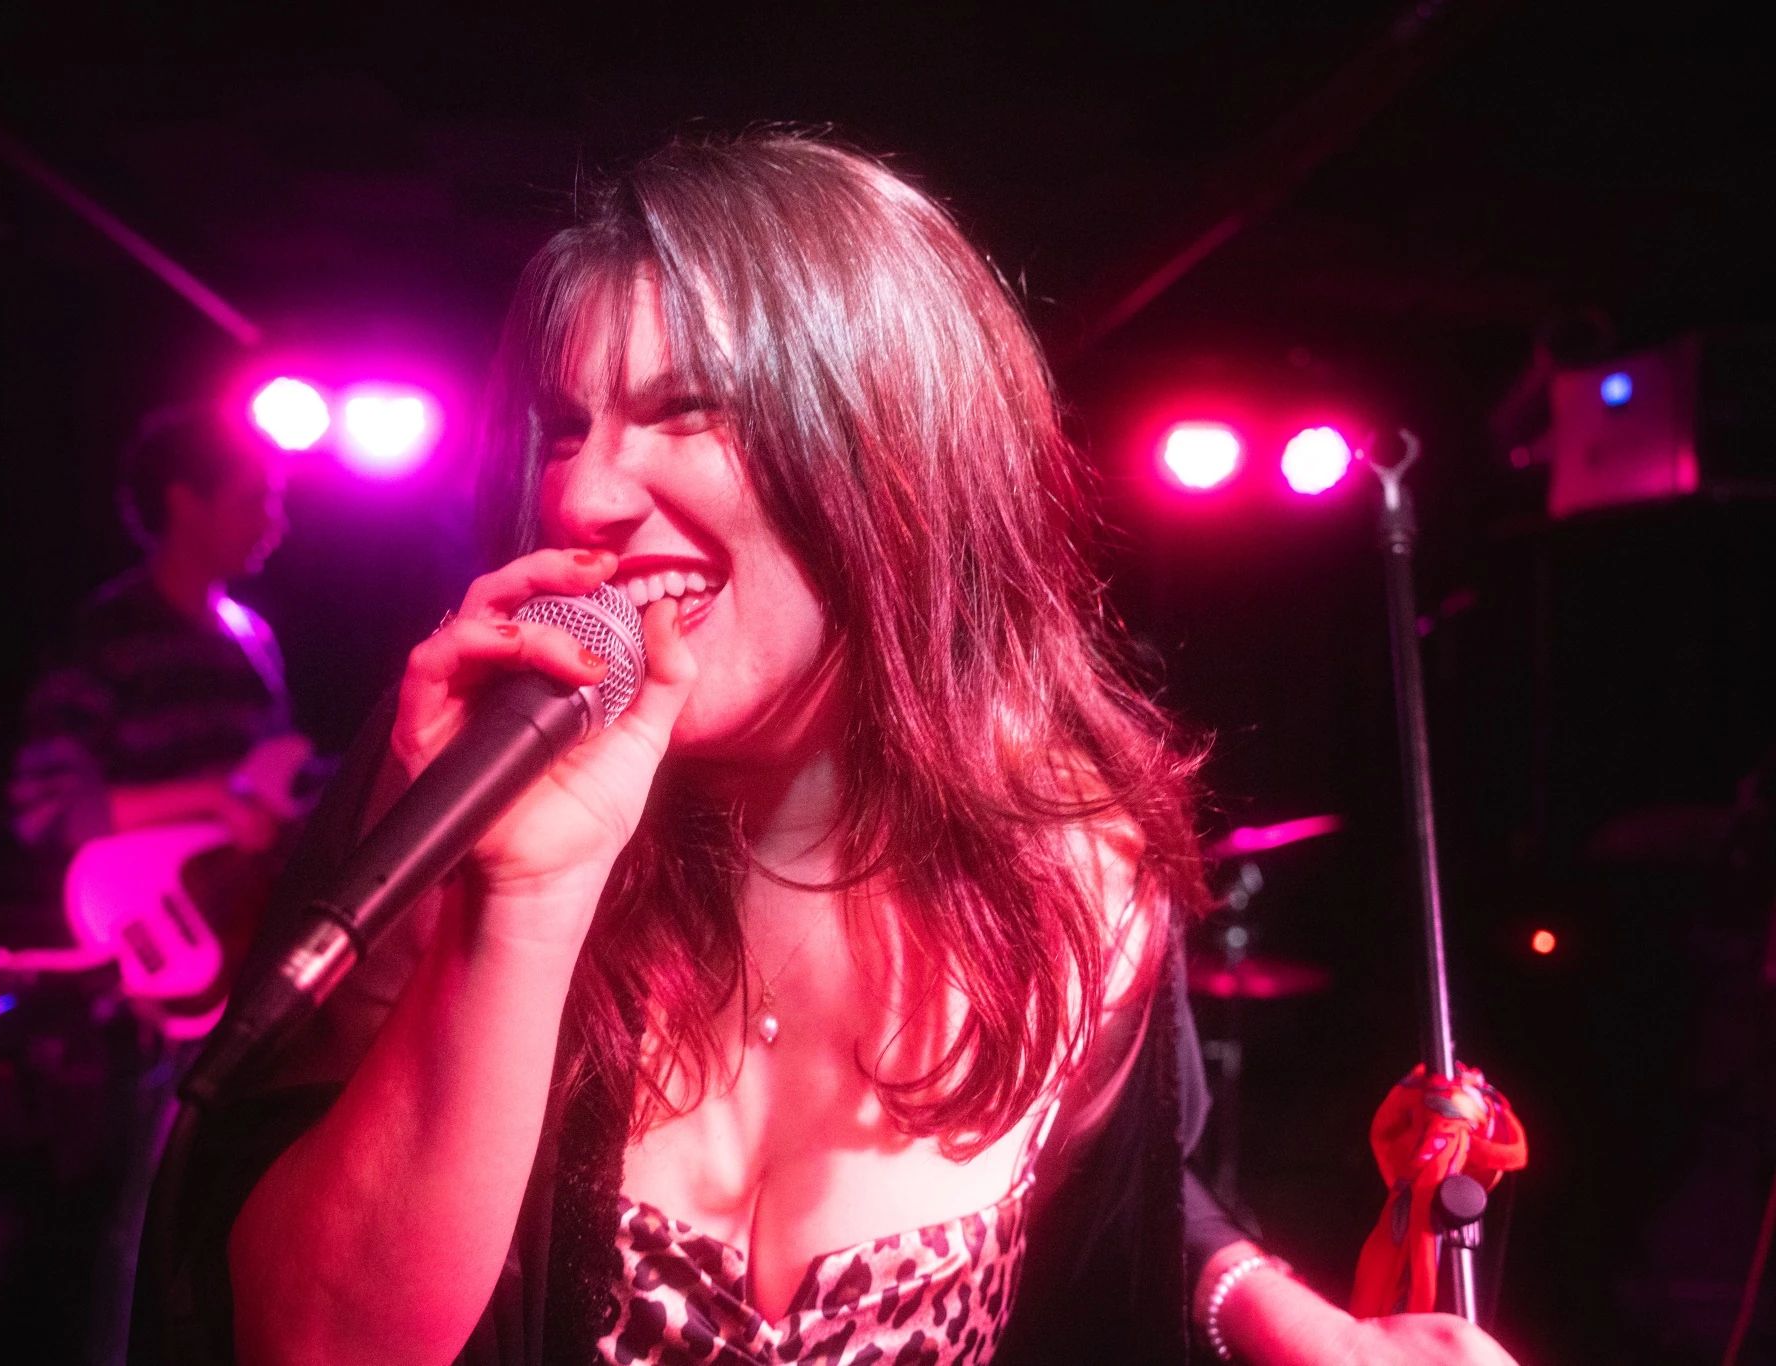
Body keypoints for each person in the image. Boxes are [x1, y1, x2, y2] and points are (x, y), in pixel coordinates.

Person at [168, 135, 1517, 1365]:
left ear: (893, 462)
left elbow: (1114, 1188)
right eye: (569, 427)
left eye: (688, 410)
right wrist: (518, 906)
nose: (580, 489)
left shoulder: (1082, 860)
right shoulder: (461, 786)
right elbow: (316, 1341)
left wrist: (1291, 1321)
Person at [8, 404, 302, 898]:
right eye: (254, 501)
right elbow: (44, 811)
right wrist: (209, 798)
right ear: (185, 505)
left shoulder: (253, 638)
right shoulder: (104, 637)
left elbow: (271, 788)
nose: (274, 524)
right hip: (146, 933)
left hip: (238, 928)